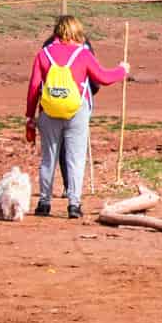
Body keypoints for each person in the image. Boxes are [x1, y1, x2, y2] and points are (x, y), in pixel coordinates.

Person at [23, 14, 129, 218]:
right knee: (76, 158)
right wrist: (122, 70)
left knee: (48, 158)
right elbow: (104, 78)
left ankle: (44, 203)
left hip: (48, 111)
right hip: (77, 111)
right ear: (76, 32)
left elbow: (34, 87)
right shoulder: (83, 54)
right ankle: (74, 204)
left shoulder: (44, 54)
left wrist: (29, 116)